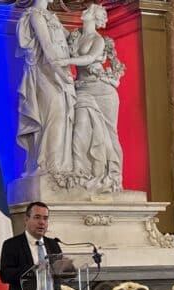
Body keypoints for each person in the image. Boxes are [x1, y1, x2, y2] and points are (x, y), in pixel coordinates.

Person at [55, 4, 125, 193]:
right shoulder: (76, 36)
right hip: (82, 90)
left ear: (95, 16)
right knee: (80, 131)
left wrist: (67, 62)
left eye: (89, 9)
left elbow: (90, 58)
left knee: (109, 134)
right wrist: (48, 17)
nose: (84, 10)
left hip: (102, 91)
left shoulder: (98, 39)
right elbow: (56, 29)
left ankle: (113, 176)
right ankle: (81, 171)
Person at [14, 0, 76, 183]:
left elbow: (71, 42)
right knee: (53, 115)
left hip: (60, 74)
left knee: (64, 117)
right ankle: (47, 165)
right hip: (45, 73)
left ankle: (61, 167)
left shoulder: (52, 17)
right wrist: (62, 74)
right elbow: (47, 47)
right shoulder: (35, 15)